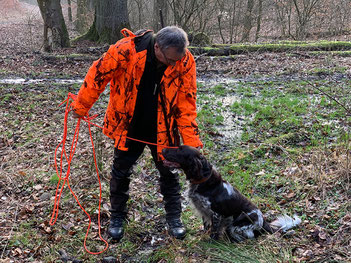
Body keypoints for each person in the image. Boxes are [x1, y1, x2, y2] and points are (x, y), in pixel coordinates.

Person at [71, 26, 203, 241]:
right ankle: (117, 218)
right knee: (120, 172)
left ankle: (174, 219)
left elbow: (186, 101)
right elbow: (98, 75)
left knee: (169, 174)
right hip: (128, 125)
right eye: (169, 60)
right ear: (157, 46)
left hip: (165, 127)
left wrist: (191, 143)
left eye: (176, 60)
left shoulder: (185, 61)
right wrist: (80, 107)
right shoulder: (126, 50)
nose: (173, 65)